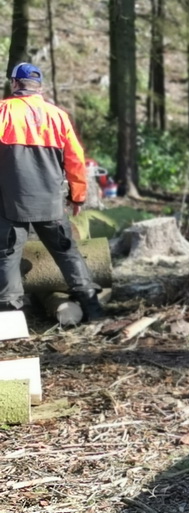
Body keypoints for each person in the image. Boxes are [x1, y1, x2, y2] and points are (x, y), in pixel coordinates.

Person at [0, 62, 102, 321]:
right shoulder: (58, 116)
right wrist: (78, 196)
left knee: (8, 256)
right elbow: (76, 160)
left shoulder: (3, 112)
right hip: (51, 202)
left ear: (14, 83)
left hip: (11, 202)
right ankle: (93, 310)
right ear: (39, 86)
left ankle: (11, 317)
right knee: (67, 253)